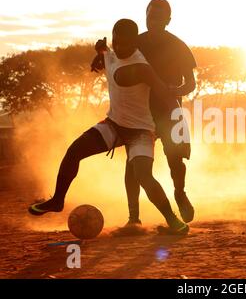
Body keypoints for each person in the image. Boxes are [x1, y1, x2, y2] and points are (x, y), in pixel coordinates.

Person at [29, 19, 189, 235]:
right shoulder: (110, 54)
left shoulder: (142, 68)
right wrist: (100, 51)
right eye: (117, 42)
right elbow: (106, 52)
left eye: (126, 44)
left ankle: (173, 220)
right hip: (114, 125)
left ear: (135, 43)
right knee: (74, 151)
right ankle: (57, 201)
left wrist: (176, 127)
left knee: (143, 175)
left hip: (140, 131)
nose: (121, 48)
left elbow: (167, 96)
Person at [124, 0, 197, 226]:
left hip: (169, 111)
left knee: (175, 159)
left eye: (157, 17)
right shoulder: (133, 43)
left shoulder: (178, 46)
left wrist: (174, 91)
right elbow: (117, 67)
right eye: (149, 16)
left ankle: (179, 193)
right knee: (134, 163)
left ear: (168, 20)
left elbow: (191, 83)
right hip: (139, 113)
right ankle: (134, 217)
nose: (152, 21)